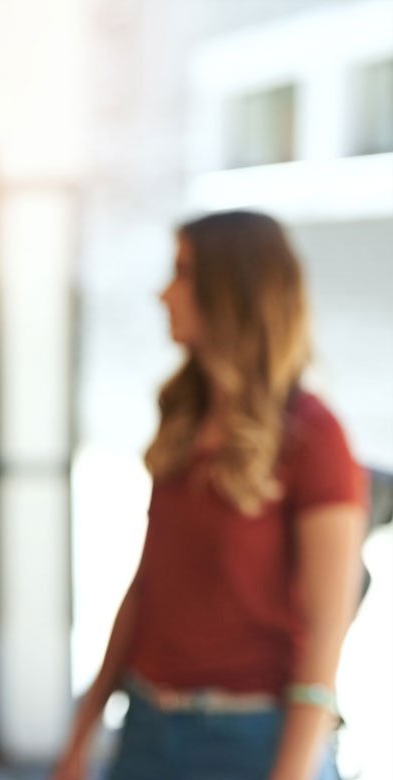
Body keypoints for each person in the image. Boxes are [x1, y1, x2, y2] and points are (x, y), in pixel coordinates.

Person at [52, 211, 369, 780]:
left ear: (233, 290)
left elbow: (327, 632)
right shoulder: (185, 417)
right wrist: (83, 730)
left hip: (254, 741)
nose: (163, 293)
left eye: (182, 272)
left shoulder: (315, 436)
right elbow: (149, 584)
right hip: (148, 729)